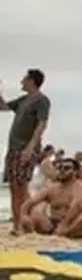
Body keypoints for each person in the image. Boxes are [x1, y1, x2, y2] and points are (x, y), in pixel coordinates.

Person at [0, 69, 51, 234]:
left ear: (31, 80)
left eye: (24, 79)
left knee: (22, 186)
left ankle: (28, 224)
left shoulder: (41, 100)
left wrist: (30, 147)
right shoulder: (23, 100)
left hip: (25, 148)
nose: (21, 81)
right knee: (14, 187)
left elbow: (42, 124)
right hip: (14, 148)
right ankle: (17, 225)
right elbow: (3, 107)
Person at [20, 157, 82, 237]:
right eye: (59, 167)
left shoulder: (80, 187)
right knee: (36, 211)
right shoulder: (53, 188)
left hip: (73, 222)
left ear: (75, 172)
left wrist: (64, 224)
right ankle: (53, 232)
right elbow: (31, 202)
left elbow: (77, 205)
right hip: (55, 223)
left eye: (66, 168)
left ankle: (64, 232)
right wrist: (24, 215)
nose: (62, 170)